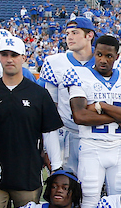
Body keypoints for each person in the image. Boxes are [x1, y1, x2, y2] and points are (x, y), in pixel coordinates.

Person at [0, 36, 62, 208]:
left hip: (28, 174)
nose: (9, 59)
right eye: (5, 55)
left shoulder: (39, 94)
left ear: (24, 57)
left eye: (14, 55)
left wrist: (56, 167)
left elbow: (49, 132)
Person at [68, 35, 121, 208]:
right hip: (91, 145)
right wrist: (119, 116)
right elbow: (80, 116)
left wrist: (102, 106)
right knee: (89, 198)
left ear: (117, 57)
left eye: (109, 56)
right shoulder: (79, 74)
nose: (103, 60)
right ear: (94, 52)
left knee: (120, 198)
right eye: (99, 54)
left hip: (119, 147)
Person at [39, 18, 97, 174]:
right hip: (64, 132)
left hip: (95, 132)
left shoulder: (103, 62)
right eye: (67, 33)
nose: (69, 37)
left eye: (75, 33)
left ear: (89, 35)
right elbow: (51, 104)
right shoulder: (54, 62)